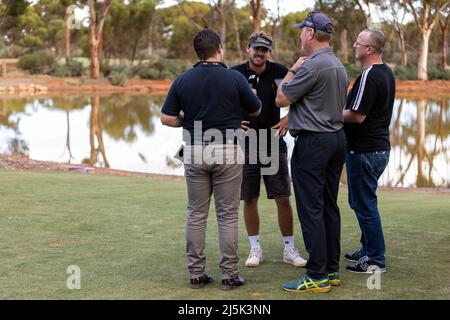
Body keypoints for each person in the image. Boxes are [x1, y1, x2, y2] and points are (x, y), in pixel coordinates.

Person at [160, 29, 261, 290]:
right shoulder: (234, 78)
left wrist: (190, 122)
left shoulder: (183, 79)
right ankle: (229, 276)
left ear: (198, 52)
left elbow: (167, 118)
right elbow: (257, 108)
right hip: (227, 148)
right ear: (219, 49)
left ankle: (196, 274)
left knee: (196, 213)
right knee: (227, 215)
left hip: (194, 148)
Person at [275, 12, 348, 293]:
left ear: (309, 33)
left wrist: (293, 68)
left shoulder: (313, 65)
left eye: (301, 31)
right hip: (336, 139)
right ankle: (330, 269)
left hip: (314, 143)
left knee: (311, 208)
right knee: (329, 205)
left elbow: (281, 97)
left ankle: (316, 274)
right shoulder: (338, 64)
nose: (299, 35)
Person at [231, 32, 307, 268]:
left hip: (274, 142)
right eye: (256, 48)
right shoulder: (234, 74)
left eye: (264, 49)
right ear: (248, 48)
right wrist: (232, 123)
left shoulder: (280, 72)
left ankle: (289, 250)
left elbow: (305, 97)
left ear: (269, 52)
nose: (259, 53)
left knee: (283, 197)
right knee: (250, 198)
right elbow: (221, 102)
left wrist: (289, 118)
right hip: (246, 145)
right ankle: (255, 250)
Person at [343, 29, 396, 274]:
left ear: (369, 49)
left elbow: (357, 115)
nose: (355, 44)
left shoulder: (371, 75)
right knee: (360, 202)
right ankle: (367, 249)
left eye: (358, 42)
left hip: (365, 150)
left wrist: (326, 114)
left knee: (365, 205)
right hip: (376, 149)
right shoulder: (386, 72)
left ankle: (376, 259)